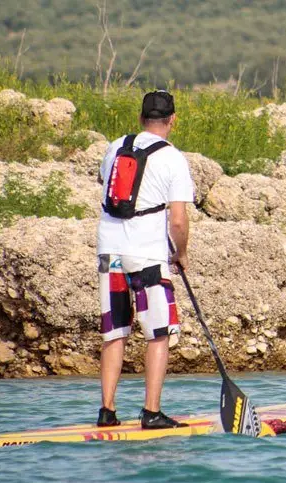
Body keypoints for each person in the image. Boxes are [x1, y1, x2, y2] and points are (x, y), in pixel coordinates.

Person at [95, 90, 194, 428]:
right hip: (147, 255)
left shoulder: (115, 146)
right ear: (173, 120)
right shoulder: (173, 158)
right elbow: (178, 220)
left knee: (115, 331)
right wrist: (180, 255)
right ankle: (151, 413)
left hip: (109, 251)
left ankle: (107, 412)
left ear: (140, 119)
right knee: (158, 333)